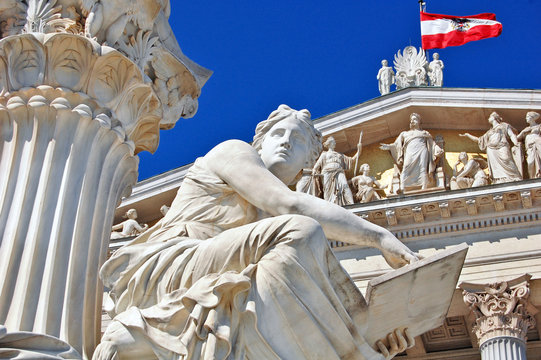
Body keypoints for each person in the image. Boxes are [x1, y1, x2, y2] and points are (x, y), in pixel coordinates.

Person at [93, 105, 418, 360]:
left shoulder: (279, 232)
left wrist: (372, 337)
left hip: (221, 264)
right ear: (260, 141)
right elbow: (287, 204)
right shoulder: (233, 152)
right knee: (301, 231)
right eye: (278, 133)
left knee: (300, 256)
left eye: (299, 139)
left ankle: (357, 348)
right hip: (171, 264)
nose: (287, 141)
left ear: (311, 159)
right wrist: (379, 236)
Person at [380, 113, 443, 192]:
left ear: (419, 122)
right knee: (406, 167)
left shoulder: (424, 133)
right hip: (410, 152)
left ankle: (424, 186)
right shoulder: (405, 134)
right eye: (411, 120)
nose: (412, 121)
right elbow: (397, 145)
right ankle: (402, 186)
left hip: (422, 150)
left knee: (423, 168)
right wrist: (389, 147)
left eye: (415, 119)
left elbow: (432, 144)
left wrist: (437, 149)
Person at [460, 112, 522, 184]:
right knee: (496, 167)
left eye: (490, 117)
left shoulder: (504, 126)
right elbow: (479, 140)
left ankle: (514, 177)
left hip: (502, 146)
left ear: (494, 117)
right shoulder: (489, 132)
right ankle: (498, 180)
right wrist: (468, 135)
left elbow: (511, 135)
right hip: (491, 150)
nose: (489, 118)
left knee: (506, 159)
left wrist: (516, 143)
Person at [312, 136, 360, 206]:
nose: (335, 143)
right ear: (329, 143)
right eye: (333, 142)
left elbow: (352, 160)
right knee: (327, 189)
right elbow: (317, 164)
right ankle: (328, 206)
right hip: (327, 173)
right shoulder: (324, 154)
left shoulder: (339, 155)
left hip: (339, 171)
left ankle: (351, 204)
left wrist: (359, 150)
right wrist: (314, 170)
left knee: (345, 185)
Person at [517, 111, 541, 179]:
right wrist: (523, 132)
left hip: (538, 145)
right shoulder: (526, 129)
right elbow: (517, 138)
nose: (526, 118)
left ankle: (538, 175)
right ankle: (532, 178)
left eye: (527, 117)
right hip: (529, 148)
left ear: (532, 118)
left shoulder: (539, 126)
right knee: (530, 162)